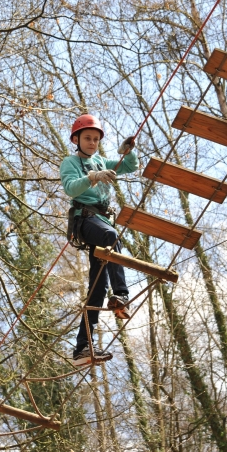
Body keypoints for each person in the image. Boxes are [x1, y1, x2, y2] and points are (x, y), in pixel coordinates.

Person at [60, 114, 138, 366]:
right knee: (111, 236)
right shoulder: (70, 162)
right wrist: (93, 177)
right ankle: (122, 295)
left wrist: (127, 152)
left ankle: (82, 348)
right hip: (86, 220)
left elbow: (129, 166)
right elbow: (71, 188)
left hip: (102, 221)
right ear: (76, 139)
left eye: (95, 139)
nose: (92, 143)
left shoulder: (102, 160)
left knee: (97, 288)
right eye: (87, 138)